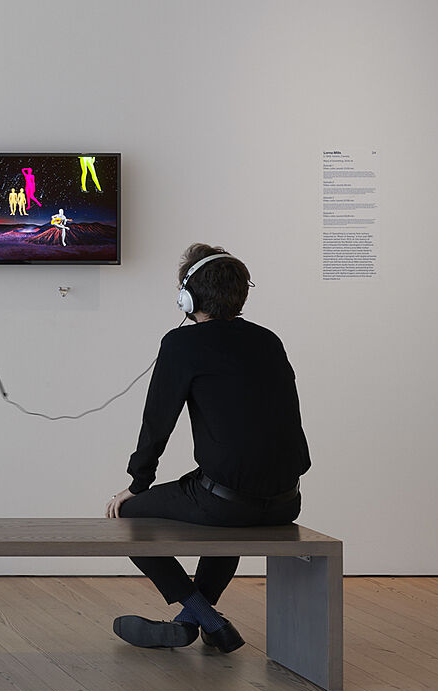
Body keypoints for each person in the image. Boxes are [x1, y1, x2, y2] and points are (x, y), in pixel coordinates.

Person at [106, 243, 310, 653]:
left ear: (188, 295)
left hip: (227, 504)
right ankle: (196, 621)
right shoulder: (269, 340)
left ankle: (202, 614)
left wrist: (137, 483)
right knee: (225, 506)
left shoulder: (182, 344)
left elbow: (157, 422)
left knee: (126, 519)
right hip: (288, 501)